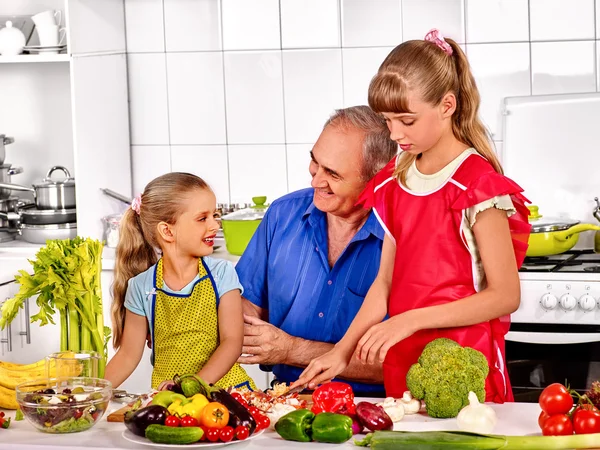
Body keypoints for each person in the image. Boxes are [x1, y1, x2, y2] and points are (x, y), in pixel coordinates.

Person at [294, 29, 531, 403]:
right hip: (403, 360)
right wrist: (341, 351)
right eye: (388, 121)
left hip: (467, 360)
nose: (395, 134)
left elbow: (505, 295)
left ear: (447, 106)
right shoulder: (395, 181)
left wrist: (409, 320)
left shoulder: (479, 185)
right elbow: (383, 285)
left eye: (407, 120)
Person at [236, 106, 397, 396]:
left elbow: (402, 363)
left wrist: (291, 350)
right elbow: (247, 302)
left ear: (376, 180)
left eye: (332, 174)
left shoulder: (401, 237)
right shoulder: (282, 214)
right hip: (284, 400)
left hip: (374, 407)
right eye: (315, 162)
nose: (315, 181)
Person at [105, 173, 255, 390]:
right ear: (167, 230)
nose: (215, 225)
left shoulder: (222, 274)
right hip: (172, 401)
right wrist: (90, 397)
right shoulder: (141, 286)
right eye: (203, 218)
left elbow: (232, 343)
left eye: (215, 215)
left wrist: (192, 386)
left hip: (226, 394)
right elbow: (127, 356)